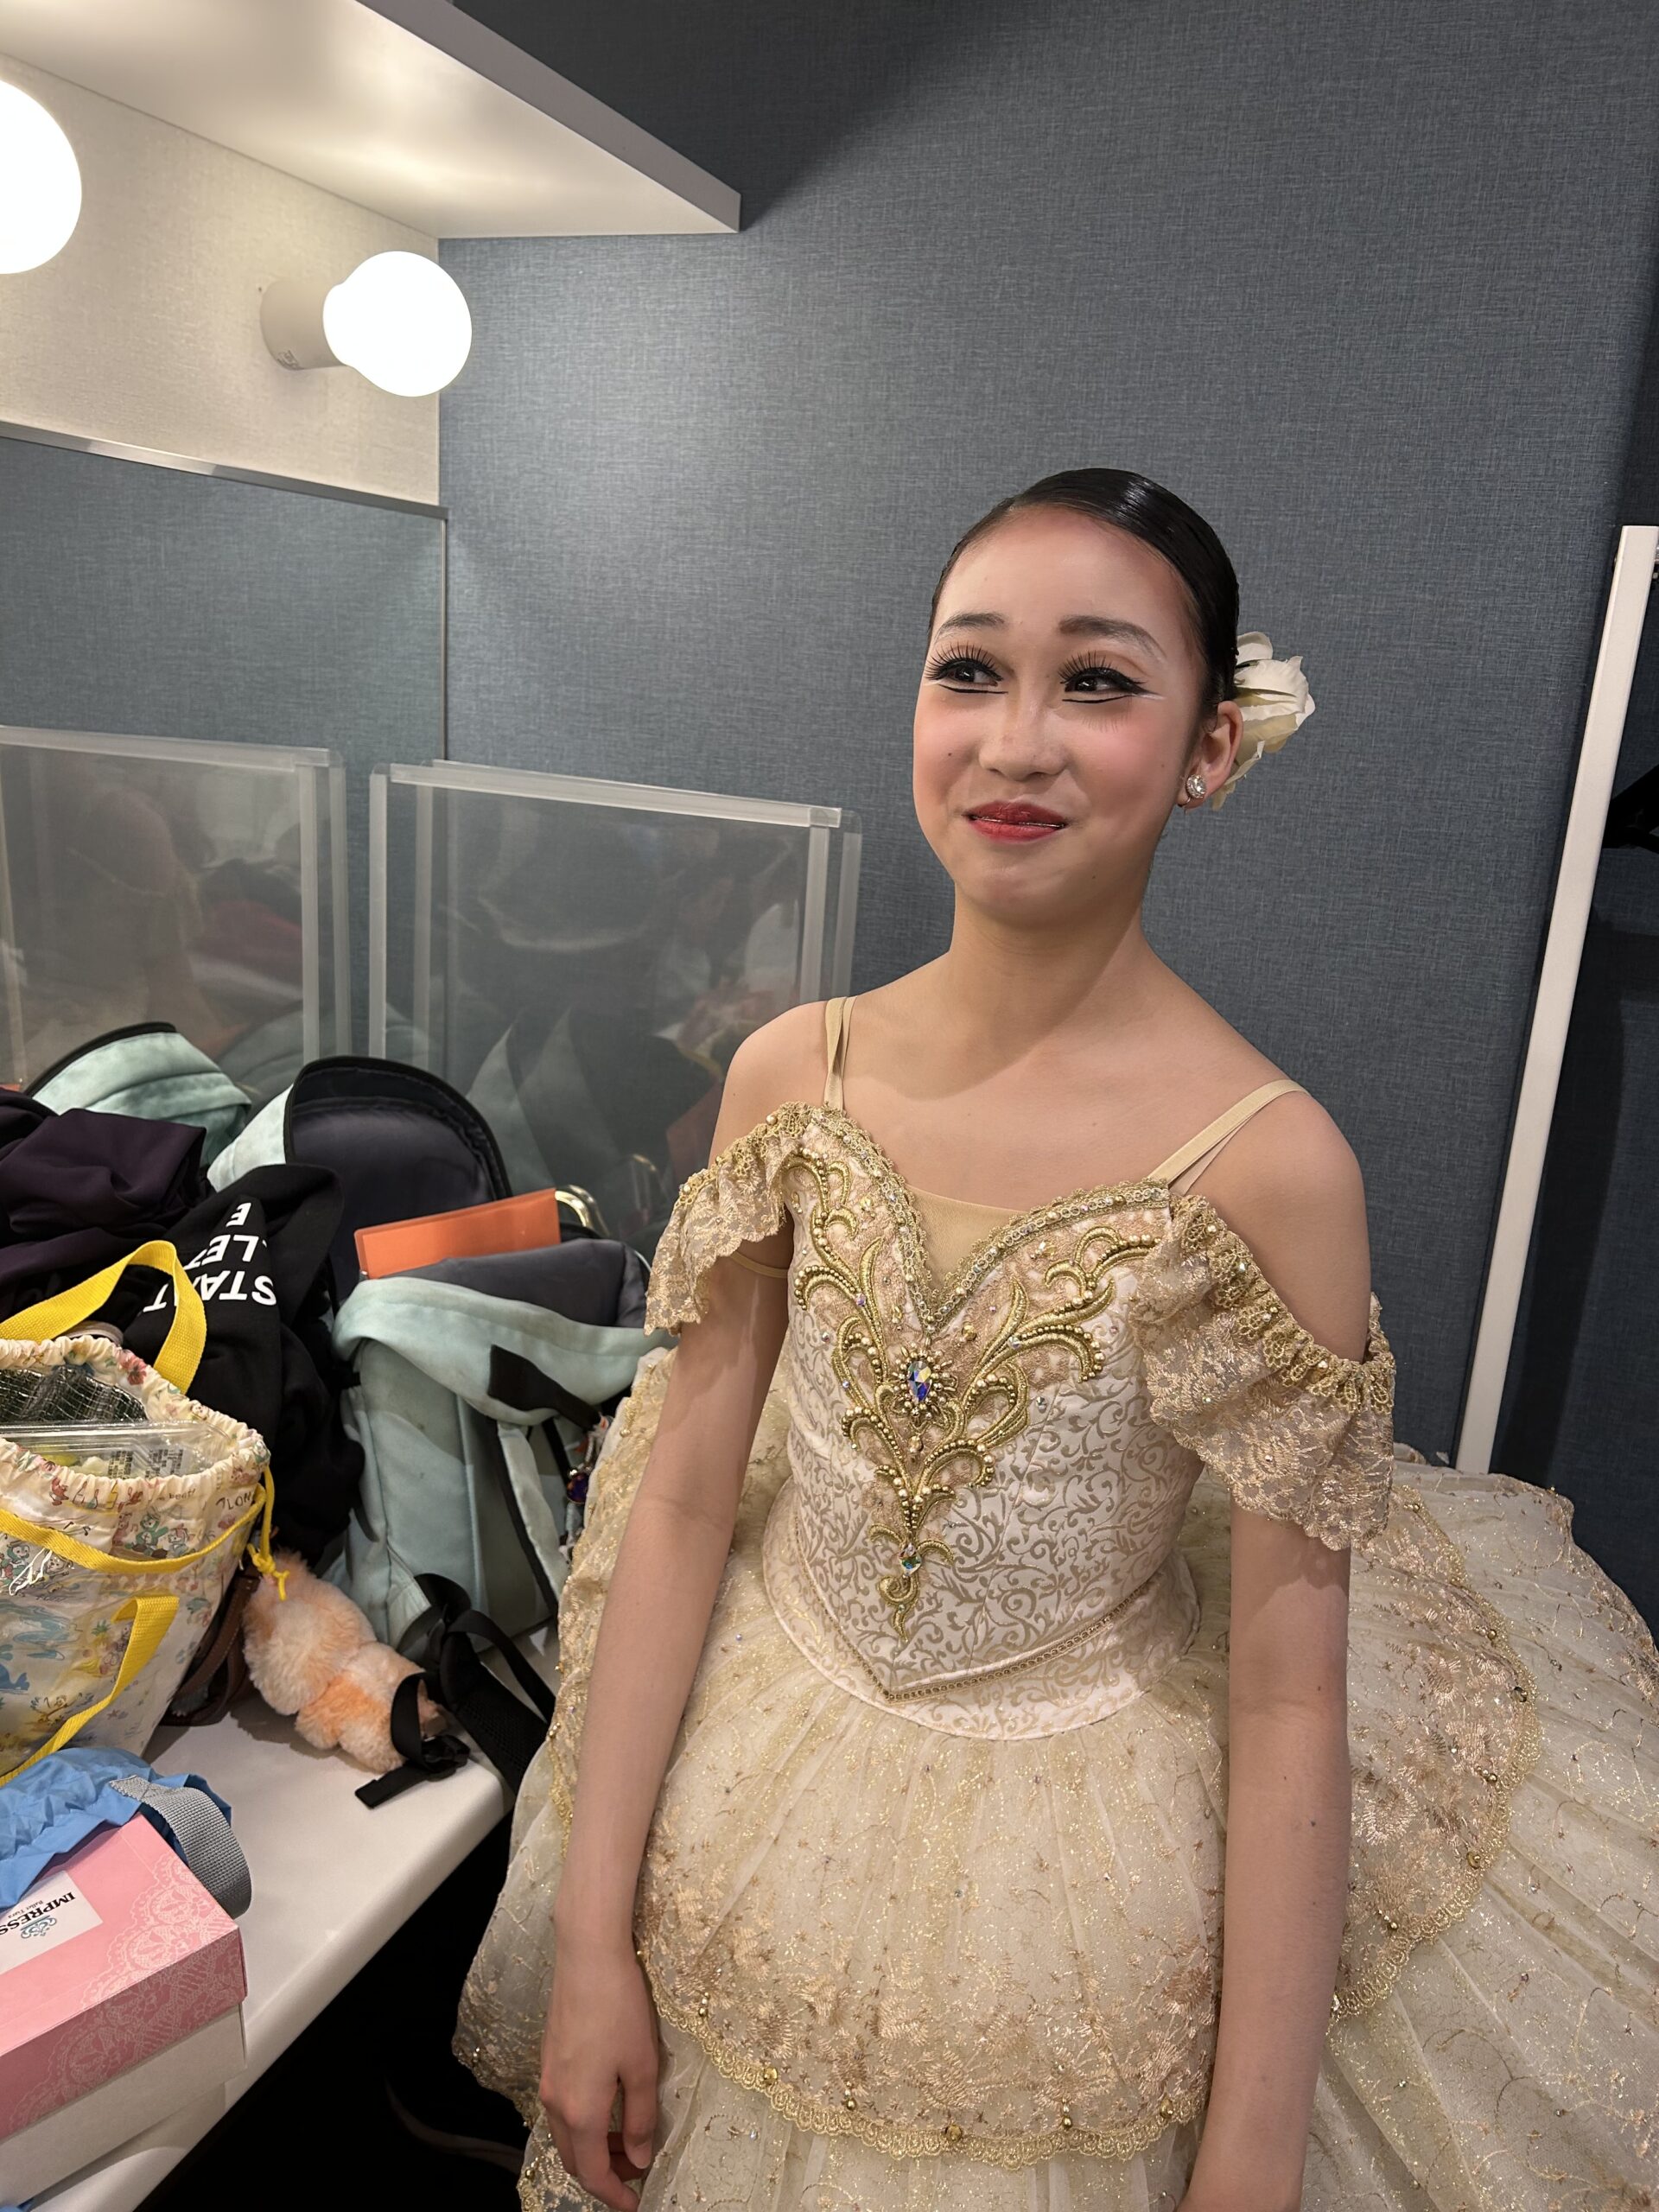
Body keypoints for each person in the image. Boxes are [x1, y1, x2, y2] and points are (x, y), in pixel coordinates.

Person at [454, 468, 1659, 2211]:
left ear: (1212, 745)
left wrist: (1250, 2158)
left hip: (1083, 1869)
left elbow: (1288, 1680)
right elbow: (688, 1496)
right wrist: (591, 1941)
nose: (1016, 740)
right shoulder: (793, 1070)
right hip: (749, 1790)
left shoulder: (1274, 1165)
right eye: (970, 669)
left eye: (1097, 680)